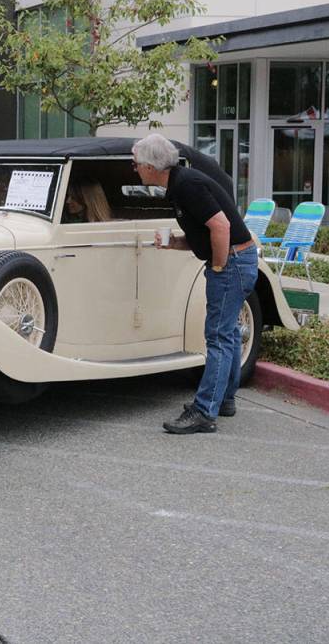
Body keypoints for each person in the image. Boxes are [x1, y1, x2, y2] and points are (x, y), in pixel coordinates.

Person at [132, 134, 256, 434]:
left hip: (232, 262)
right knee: (227, 333)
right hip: (239, 259)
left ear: (150, 166)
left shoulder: (187, 184)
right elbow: (205, 232)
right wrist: (174, 243)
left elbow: (221, 226)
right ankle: (224, 400)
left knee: (217, 336)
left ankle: (203, 411)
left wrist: (219, 266)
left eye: (135, 163)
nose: (134, 168)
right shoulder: (179, 184)